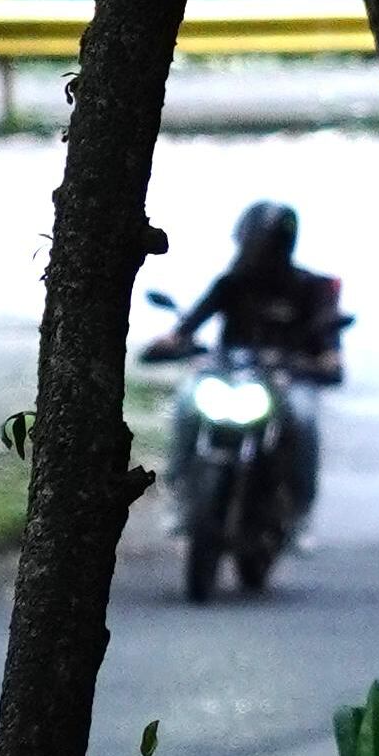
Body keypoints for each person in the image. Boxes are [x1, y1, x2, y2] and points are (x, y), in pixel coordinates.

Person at [144, 200, 342, 523]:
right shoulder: (232, 283)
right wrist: (171, 343)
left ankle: (300, 509)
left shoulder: (312, 288)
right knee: (186, 406)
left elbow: (329, 342)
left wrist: (326, 361)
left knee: (304, 419)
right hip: (229, 376)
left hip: (287, 380)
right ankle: (180, 493)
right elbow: (189, 324)